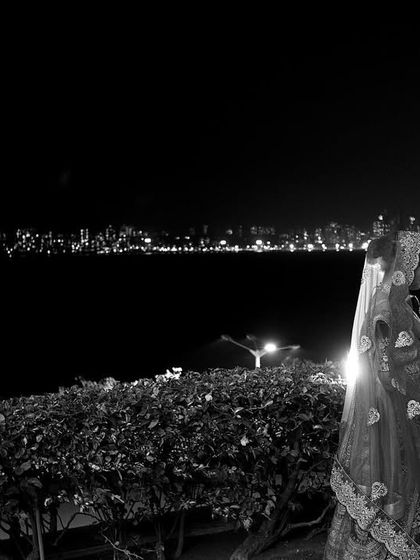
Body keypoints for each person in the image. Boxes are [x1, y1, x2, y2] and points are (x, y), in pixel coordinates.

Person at [324, 230, 420, 559]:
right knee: (394, 476)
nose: (418, 269)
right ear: (399, 265)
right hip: (393, 405)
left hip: (394, 405)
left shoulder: (396, 301)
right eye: (415, 262)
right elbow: (383, 363)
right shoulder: (386, 305)